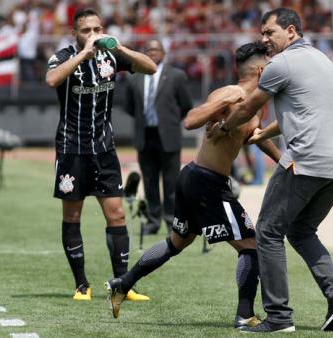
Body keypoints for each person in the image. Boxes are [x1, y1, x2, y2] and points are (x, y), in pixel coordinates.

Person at [106, 42, 282, 328]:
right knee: (252, 244)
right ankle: (244, 315)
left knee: (177, 242)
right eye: (273, 65)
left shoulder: (255, 106)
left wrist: (284, 160)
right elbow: (189, 120)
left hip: (196, 178)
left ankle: (123, 283)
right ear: (262, 70)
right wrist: (221, 108)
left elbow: (254, 136)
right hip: (207, 182)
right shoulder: (233, 93)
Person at [208, 8, 333, 333]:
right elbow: (304, 111)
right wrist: (264, 134)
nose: (263, 39)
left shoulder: (281, 64)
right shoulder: (322, 60)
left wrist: (221, 126)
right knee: (301, 230)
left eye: (269, 32)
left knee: (268, 232)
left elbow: (248, 107)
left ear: (290, 31)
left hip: (306, 159)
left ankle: (278, 317)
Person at [45, 7, 156, 301]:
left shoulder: (112, 55)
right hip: (71, 149)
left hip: (104, 149)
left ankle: (123, 284)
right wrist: (84, 54)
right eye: (86, 31)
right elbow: (52, 80)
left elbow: (151, 67)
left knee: (117, 214)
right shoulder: (63, 56)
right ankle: (82, 285)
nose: (93, 35)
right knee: (73, 215)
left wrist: (120, 47)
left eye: (97, 29)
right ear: (75, 34)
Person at [124, 39, 193, 235]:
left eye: (156, 50)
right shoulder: (134, 77)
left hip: (168, 136)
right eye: (148, 50)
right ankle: (153, 221)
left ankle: (172, 221)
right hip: (145, 135)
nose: (152, 53)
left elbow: (186, 104)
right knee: (149, 181)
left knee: (171, 182)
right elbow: (129, 107)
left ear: (163, 53)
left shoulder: (176, 76)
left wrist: (169, 122)